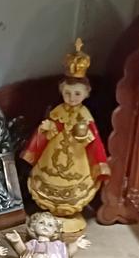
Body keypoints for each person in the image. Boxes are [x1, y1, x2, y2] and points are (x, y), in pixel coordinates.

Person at [22, 39, 109, 235]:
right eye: (67, 93)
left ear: (86, 94)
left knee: (75, 180)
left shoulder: (85, 115)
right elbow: (50, 129)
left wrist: (84, 136)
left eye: (77, 93)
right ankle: (50, 207)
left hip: (77, 157)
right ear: (62, 91)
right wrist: (48, 129)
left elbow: (93, 140)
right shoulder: (57, 111)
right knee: (48, 175)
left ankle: (69, 209)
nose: (71, 98)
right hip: (54, 155)